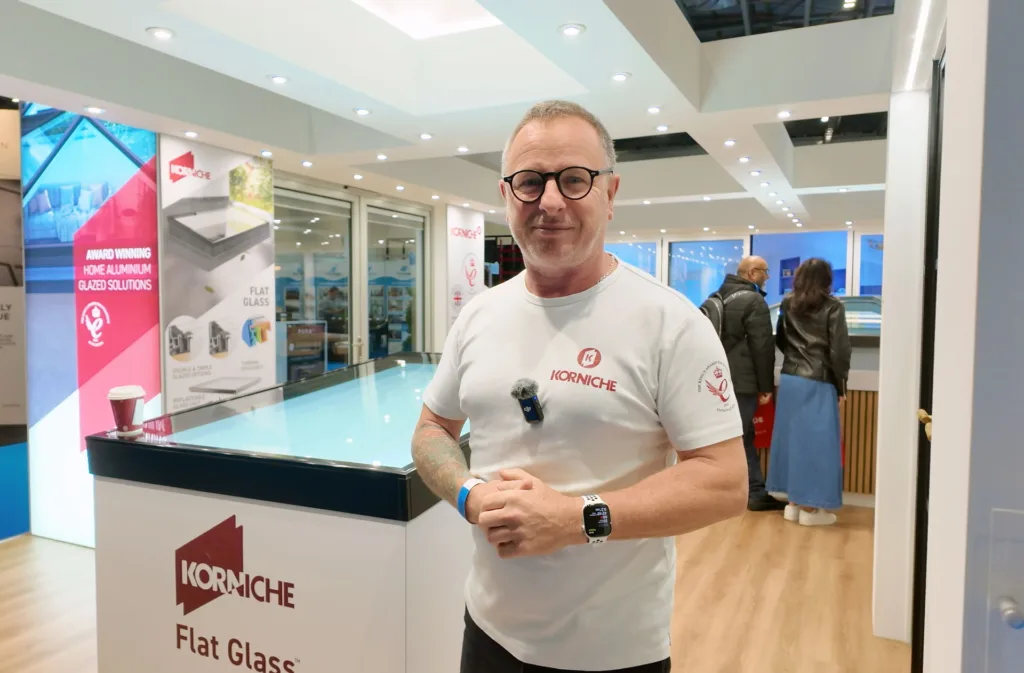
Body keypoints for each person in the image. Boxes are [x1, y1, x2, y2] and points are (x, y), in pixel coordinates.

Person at [411, 100, 749, 673]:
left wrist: (574, 520)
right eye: (530, 182)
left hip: (613, 653)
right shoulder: (479, 316)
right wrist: (469, 495)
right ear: (506, 195)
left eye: (574, 180)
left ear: (610, 194)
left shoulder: (669, 322)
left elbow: (723, 482)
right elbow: (431, 430)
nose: (549, 202)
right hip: (488, 632)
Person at [765, 258, 852, 527]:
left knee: (793, 442)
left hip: (791, 379)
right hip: (819, 379)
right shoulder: (833, 306)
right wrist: (841, 384)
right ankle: (811, 509)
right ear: (827, 279)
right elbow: (839, 350)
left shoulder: (788, 303)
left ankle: (792, 504)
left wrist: (794, 358)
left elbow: (780, 339)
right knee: (818, 445)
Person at [703, 257, 786, 512]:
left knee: (721, 437)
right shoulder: (754, 301)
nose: (767, 277)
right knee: (742, 437)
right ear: (751, 273)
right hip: (743, 382)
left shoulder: (715, 298)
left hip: (716, 380)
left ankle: (722, 491)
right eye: (765, 272)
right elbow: (762, 347)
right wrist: (765, 387)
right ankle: (754, 492)